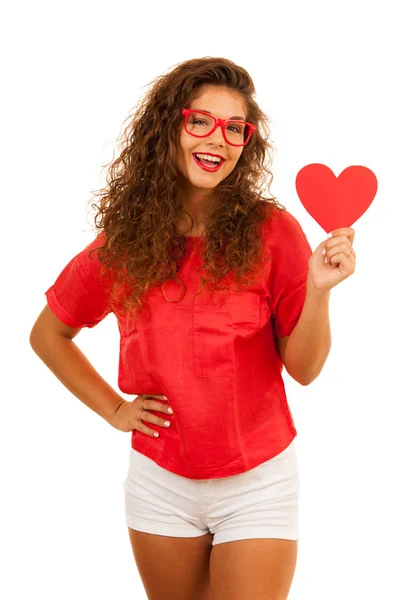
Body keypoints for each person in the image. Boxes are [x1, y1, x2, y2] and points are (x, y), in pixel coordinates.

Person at [30, 57, 356, 600]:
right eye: (199, 120)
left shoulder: (273, 232)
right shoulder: (124, 243)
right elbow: (48, 334)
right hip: (160, 482)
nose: (218, 139)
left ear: (246, 142)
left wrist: (319, 290)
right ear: (169, 129)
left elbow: (305, 369)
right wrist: (115, 409)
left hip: (258, 480)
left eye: (235, 128)